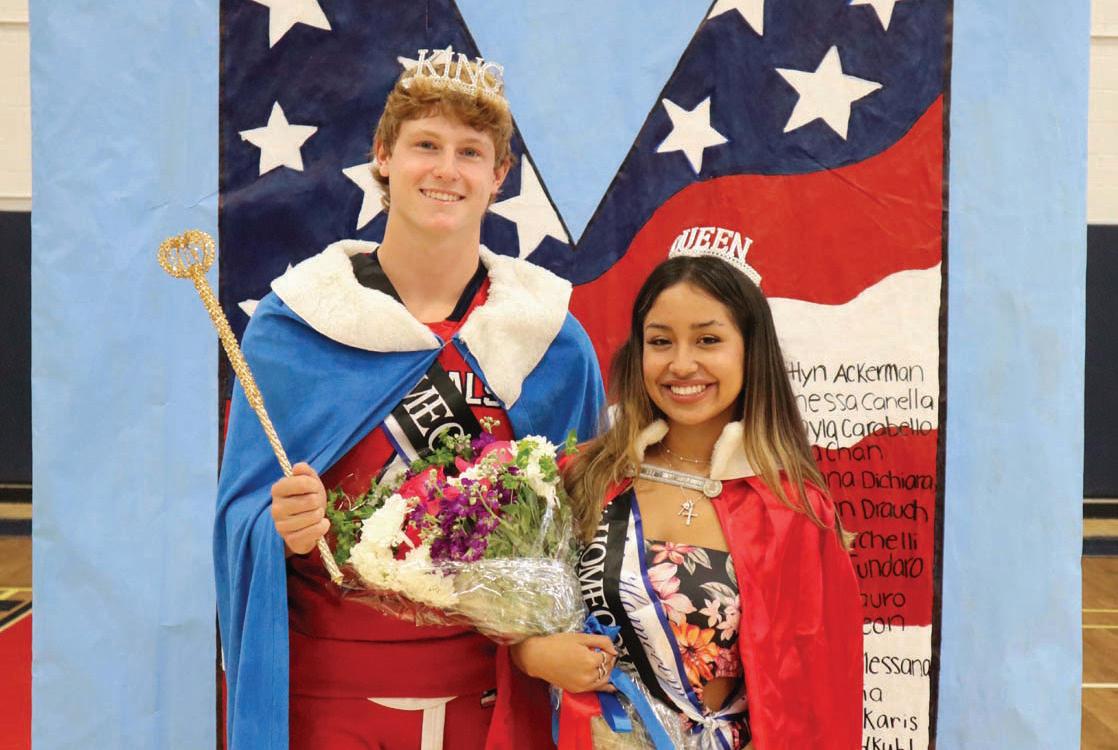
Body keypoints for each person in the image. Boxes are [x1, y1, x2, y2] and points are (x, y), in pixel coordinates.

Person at [214, 49, 606, 749]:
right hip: (326, 705)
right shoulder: (293, 327)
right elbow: (239, 517)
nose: (446, 169)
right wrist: (278, 528)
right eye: (426, 144)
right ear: (383, 156)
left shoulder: (551, 342)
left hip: (492, 704)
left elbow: (583, 534)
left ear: (499, 176)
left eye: (470, 152)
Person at [512, 243, 862, 749]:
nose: (681, 364)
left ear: (750, 351)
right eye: (660, 341)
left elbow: (818, 698)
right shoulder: (584, 476)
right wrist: (531, 655)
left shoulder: (792, 510)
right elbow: (514, 631)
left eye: (708, 340)